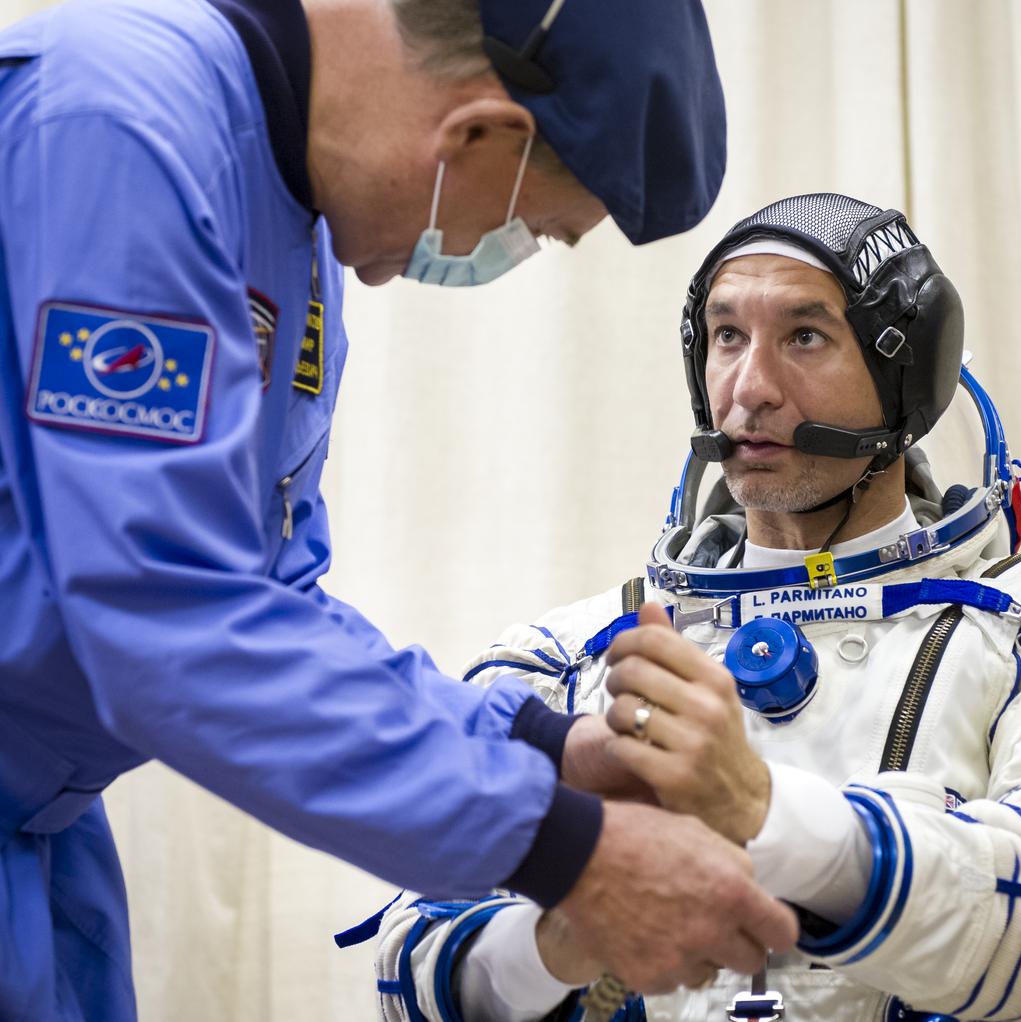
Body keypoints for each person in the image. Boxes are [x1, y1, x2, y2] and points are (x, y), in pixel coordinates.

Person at [0, 1, 800, 1018]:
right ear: (478, 136)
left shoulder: (293, 240)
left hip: (40, 838)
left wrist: (551, 750)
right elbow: (167, 610)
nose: (492, 252)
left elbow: (270, 600)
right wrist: (567, 850)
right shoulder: (117, 122)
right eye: (535, 231)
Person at [365, 193, 1021, 1022]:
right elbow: (412, 966)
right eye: (726, 336)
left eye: (805, 337)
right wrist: (566, 935)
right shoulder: (563, 661)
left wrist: (766, 812)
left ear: (908, 374)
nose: (749, 390)